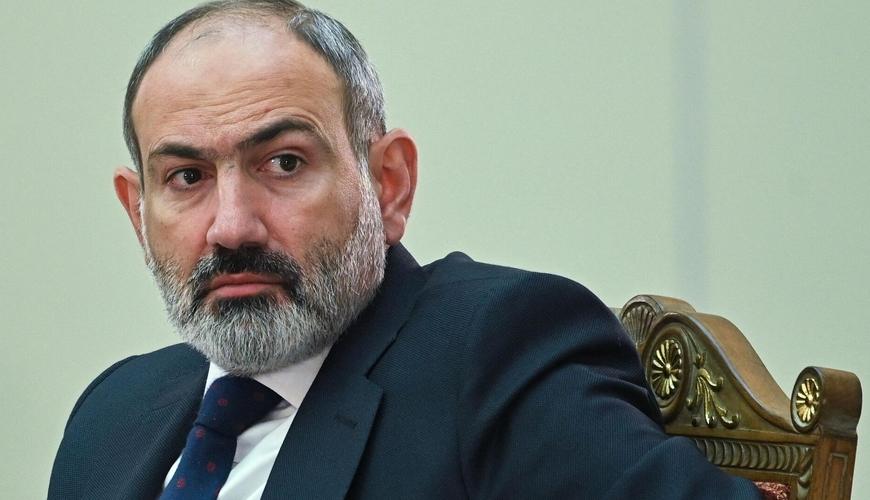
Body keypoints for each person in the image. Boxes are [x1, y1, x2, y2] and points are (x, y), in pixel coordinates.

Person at [49, 1, 761, 499]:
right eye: (187, 177)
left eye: (284, 163)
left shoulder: (496, 353)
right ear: (138, 213)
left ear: (387, 184)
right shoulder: (112, 415)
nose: (232, 227)